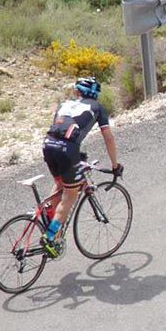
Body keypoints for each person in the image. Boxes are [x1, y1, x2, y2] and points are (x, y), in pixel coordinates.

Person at [40, 76, 122, 257]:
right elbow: (108, 137)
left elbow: (62, 129)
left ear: (77, 92)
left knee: (60, 183)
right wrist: (115, 165)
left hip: (48, 144)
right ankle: (50, 236)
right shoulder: (98, 108)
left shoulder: (64, 104)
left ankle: (51, 219)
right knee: (71, 195)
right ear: (96, 95)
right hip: (67, 150)